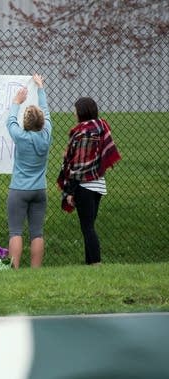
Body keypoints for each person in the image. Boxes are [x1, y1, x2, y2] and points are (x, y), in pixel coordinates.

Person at [57, 97, 121, 265]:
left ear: (82, 111)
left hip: (84, 185)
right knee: (89, 225)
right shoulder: (101, 126)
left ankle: (95, 263)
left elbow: (78, 165)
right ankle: (90, 264)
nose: (74, 112)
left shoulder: (82, 132)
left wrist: (70, 190)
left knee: (87, 228)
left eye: (76, 109)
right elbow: (103, 155)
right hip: (99, 184)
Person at [5, 74, 52, 269]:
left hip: (19, 190)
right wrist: (40, 88)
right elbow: (47, 113)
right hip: (39, 189)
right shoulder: (47, 133)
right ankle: (35, 270)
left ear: (26, 122)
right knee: (37, 233)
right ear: (41, 122)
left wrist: (17, 101)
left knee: (15, 231)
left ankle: (14, 268)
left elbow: (10, 122)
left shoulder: (20, 136)